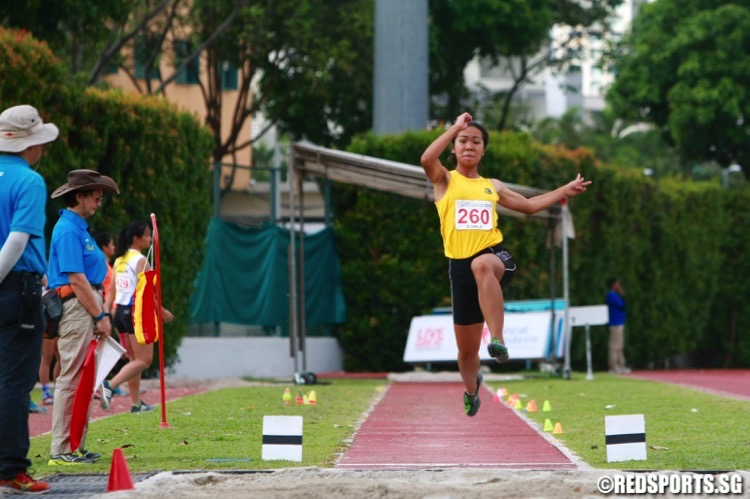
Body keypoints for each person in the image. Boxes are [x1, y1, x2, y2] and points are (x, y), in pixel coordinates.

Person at [420, 112, 591, 417]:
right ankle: (472, 390)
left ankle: (497, 339)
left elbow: (528, 206)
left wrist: (563, 191)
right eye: (463, 141)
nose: (469, 146)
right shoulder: (444, 180)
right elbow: (425, 159)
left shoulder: (493, 186)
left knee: (482, 265)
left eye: (476, 141)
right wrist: (454, 127)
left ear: (484, 150)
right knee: (467, 353)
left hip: (496, 256)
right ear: (454, 148)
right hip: (459, 269)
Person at [0, 104, 58, 494]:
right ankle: (10, 470)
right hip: (15, 286)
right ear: (31, 146)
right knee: (14, 382)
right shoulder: (30, 181)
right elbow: (18, 242)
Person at [47, 169, 119, 465]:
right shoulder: (67, 230)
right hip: (78, 306)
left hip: (86, 304)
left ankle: (76, 445)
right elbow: (76, 280)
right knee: (72, 377)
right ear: (79, 196)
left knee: (85, 377)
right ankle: (61, 449)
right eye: (95, 197)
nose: (98, 203)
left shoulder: (79, 229)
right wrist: (100, 313)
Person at [102, 220, 174, 413]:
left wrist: (106, 314)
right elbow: (148, 293)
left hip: (120, 314)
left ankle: (135, 404)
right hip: (136, 314)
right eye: (147, 235)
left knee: (134, 361)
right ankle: (110, 385)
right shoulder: (141, 260)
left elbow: (111, 292)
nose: (150, 239)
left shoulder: (119, 260)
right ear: (137, 239)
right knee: (144, 361)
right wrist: (162, 311)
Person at [605, 277, 629, 374]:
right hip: (615, 323)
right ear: (613, 285)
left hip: (619, 322)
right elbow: (622, 305)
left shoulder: (615, 295)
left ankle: (621, 365)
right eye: (617, 284)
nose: (619, 286)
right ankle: (613, 365)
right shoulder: (611, 295)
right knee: (614, 345)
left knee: (619, 345)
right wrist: (622, 293)